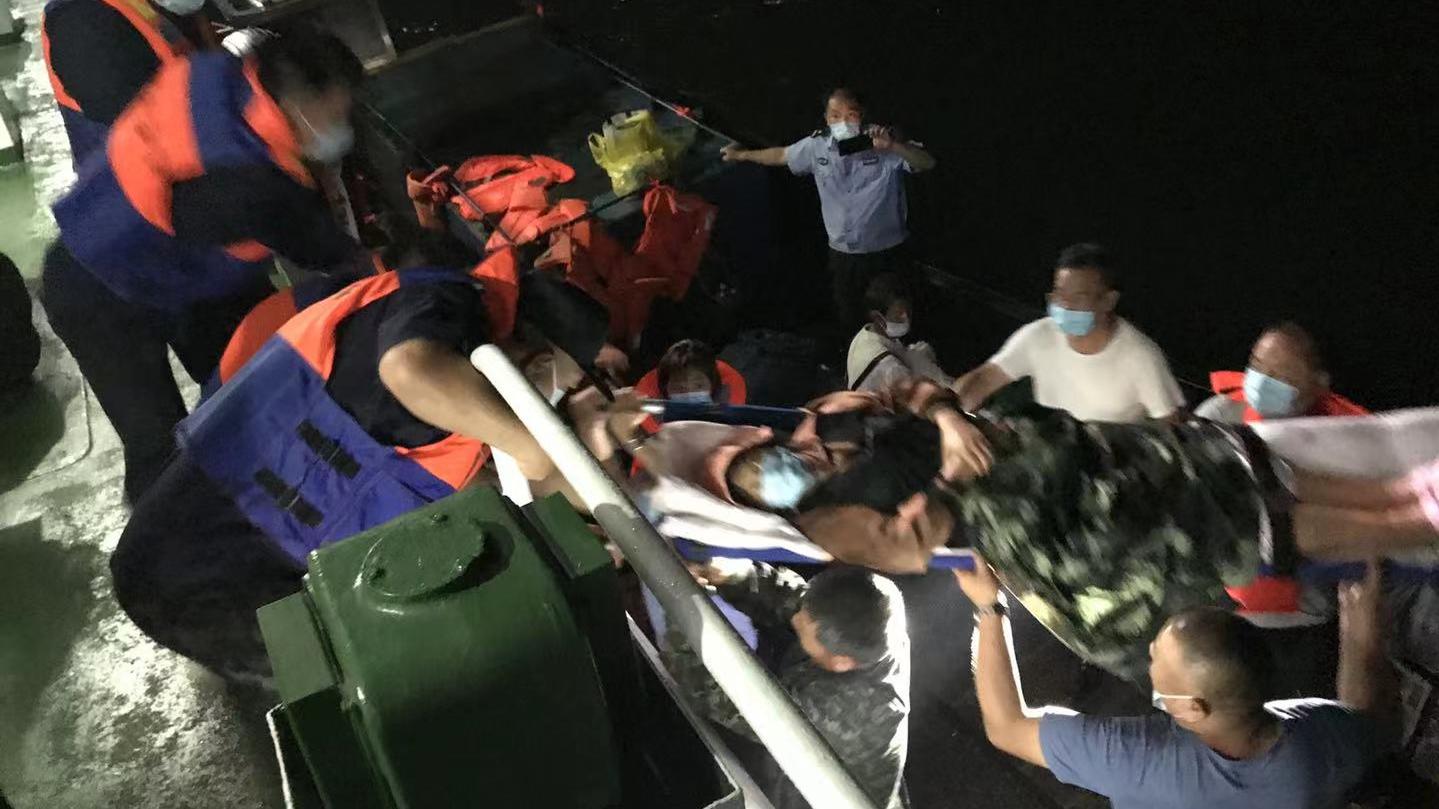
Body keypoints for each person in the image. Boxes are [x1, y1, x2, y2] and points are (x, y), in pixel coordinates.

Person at [109, 248, 611, 682]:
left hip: (272, 560)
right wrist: (538, 447)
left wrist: (598, 491)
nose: (550, 396)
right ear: (530, 352)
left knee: (352, 684)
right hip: (191, 549)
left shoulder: (463, 403)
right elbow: (408, 370)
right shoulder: (444, 300)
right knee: (359, 692)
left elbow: (501, 487)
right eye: (553, 380)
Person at [40, 31, 367, 502]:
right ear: (301, 102)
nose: (342, 126)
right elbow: (329, 254)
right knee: (159, 448)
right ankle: (168, 536)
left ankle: (281, 489)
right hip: (96, 295)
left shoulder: (213, 73)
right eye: (337, 114)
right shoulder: (252, 184)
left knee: (256, 381)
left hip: (141, 257)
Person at [957, 554, 1393, 808]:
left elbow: (1006, 727)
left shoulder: (1141, 761)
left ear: (1189, 709)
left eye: (1156, 660)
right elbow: (1368, 722)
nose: (1149, 656)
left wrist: (989, 608)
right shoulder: (1318, 739)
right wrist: (1361, 631)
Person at [663, 562, 910, 809]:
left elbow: (718, 698)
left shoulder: (842, 714)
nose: (796, 618)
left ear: (841, 662)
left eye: (802, 631)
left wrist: (681, 614)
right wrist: (736, 576)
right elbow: (797, 602)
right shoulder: (875, 620)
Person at [720, 88, 936, 335]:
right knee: (851, 316)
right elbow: (781, 155)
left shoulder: (883, 143)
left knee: (900, 313)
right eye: (835, 115)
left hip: (888, 250)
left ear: (862, 115)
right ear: (826, 119)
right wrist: (742, 154)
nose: (843, 122)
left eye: (850, 114)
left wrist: (893, 146)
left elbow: (927, 162)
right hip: (844, 254)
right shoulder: (817, 146)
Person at [952, 243, 1185, 422]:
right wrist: (950, 415)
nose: (1065, 305)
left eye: (1078, 297)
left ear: (1108, 300)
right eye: (1060, 294)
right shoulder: (1038, 336)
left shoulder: (1141, 356)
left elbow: (1171, 426)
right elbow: (983, 379)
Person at [41, 0, 215, 166]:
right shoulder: (79, 22)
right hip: (143, 174)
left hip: (185, 156)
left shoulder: (128, 7)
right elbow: (133, 122)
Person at [1200, 321, 1366, 424]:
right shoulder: (1218, 416)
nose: (1261, 382)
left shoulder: (1350, 430)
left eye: (1281, 376)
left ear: (1319, 384)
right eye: (1256, 366)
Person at [846, 273, 951, 392]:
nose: (906, 318)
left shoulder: (865, 334)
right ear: (878, 317)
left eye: (908, 310)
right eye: (899, 313)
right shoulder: (890, 368)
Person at [634, 338, 747, 406]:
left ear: (713, 385)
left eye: (699, 386)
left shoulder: (742, 433)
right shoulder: (643, 431)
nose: (689, 394)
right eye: (679, 388)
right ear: (665, 390)